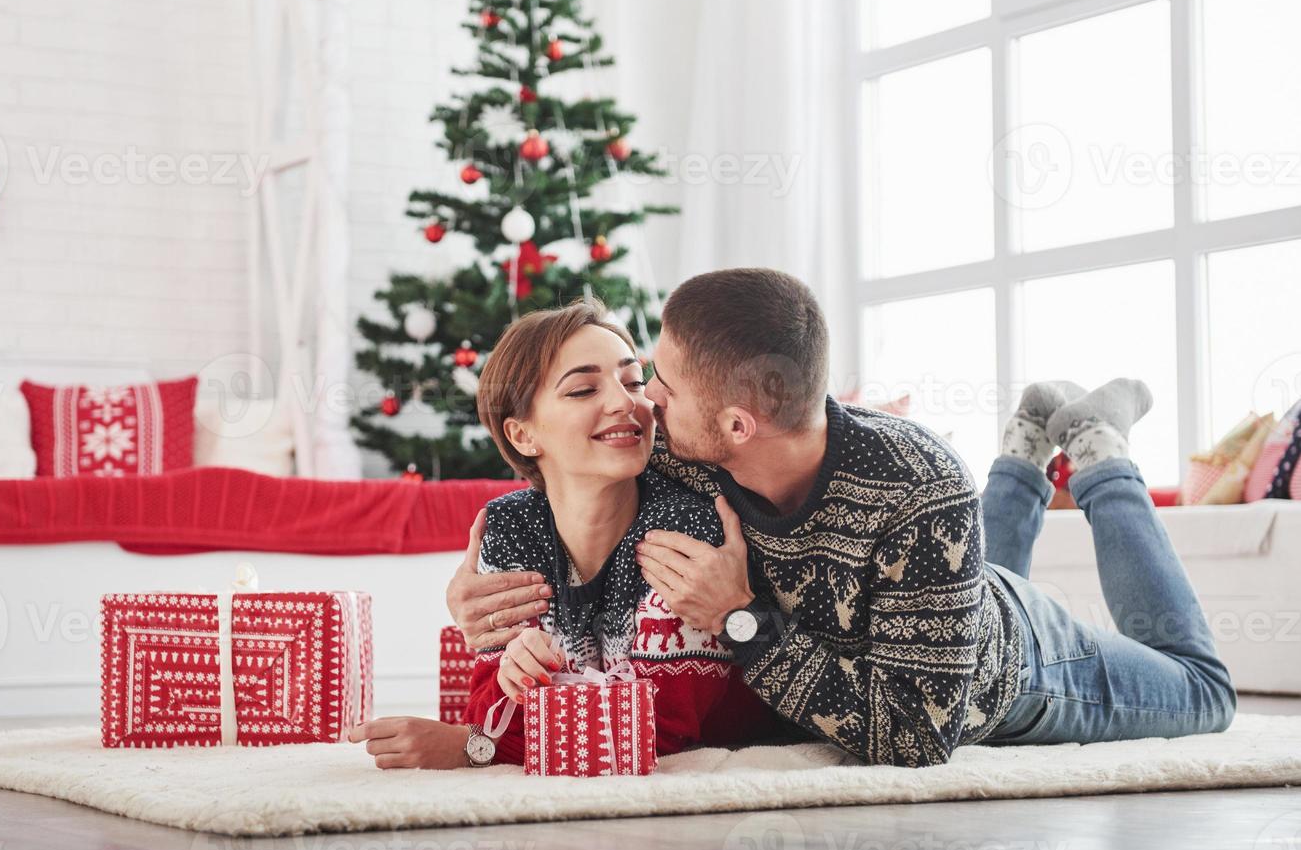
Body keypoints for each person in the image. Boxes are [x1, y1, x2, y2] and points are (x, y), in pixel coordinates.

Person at [443, 268, 1236, 767]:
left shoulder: (916, 486)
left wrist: (741, 619)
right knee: (950, 584)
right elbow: (567, 475)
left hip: (1017, 670)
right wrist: (469, 591)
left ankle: (1100, 456)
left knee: (1201, 695)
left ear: (736, 427)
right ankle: (1024, 449)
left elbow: (916, 739)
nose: (640, 401)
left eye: (661, 385)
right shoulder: (678, 448)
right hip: (932, 600)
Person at [350, 300, 786, 769]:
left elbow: (657, 731)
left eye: (634, 382)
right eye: (582, 390)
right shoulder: (510, 526)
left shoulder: (685, 529)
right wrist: (512, 677)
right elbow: (489, 711)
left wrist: (472, 748)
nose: (625, 402)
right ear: (521, 435)